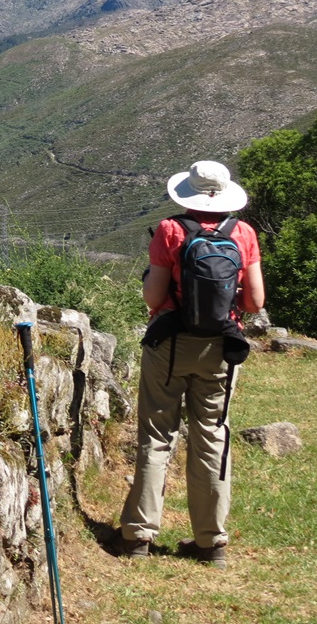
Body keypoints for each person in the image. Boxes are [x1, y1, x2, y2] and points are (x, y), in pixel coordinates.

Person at [108, 160, 265, 568]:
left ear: (188, 194)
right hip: (221, 348)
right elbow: (255, 302)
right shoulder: (244, 233)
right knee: (212, 434)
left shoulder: (170, 230)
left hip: (170, 343)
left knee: (157, 433)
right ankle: (211, 542)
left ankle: (138, 535)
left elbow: (153, 297)